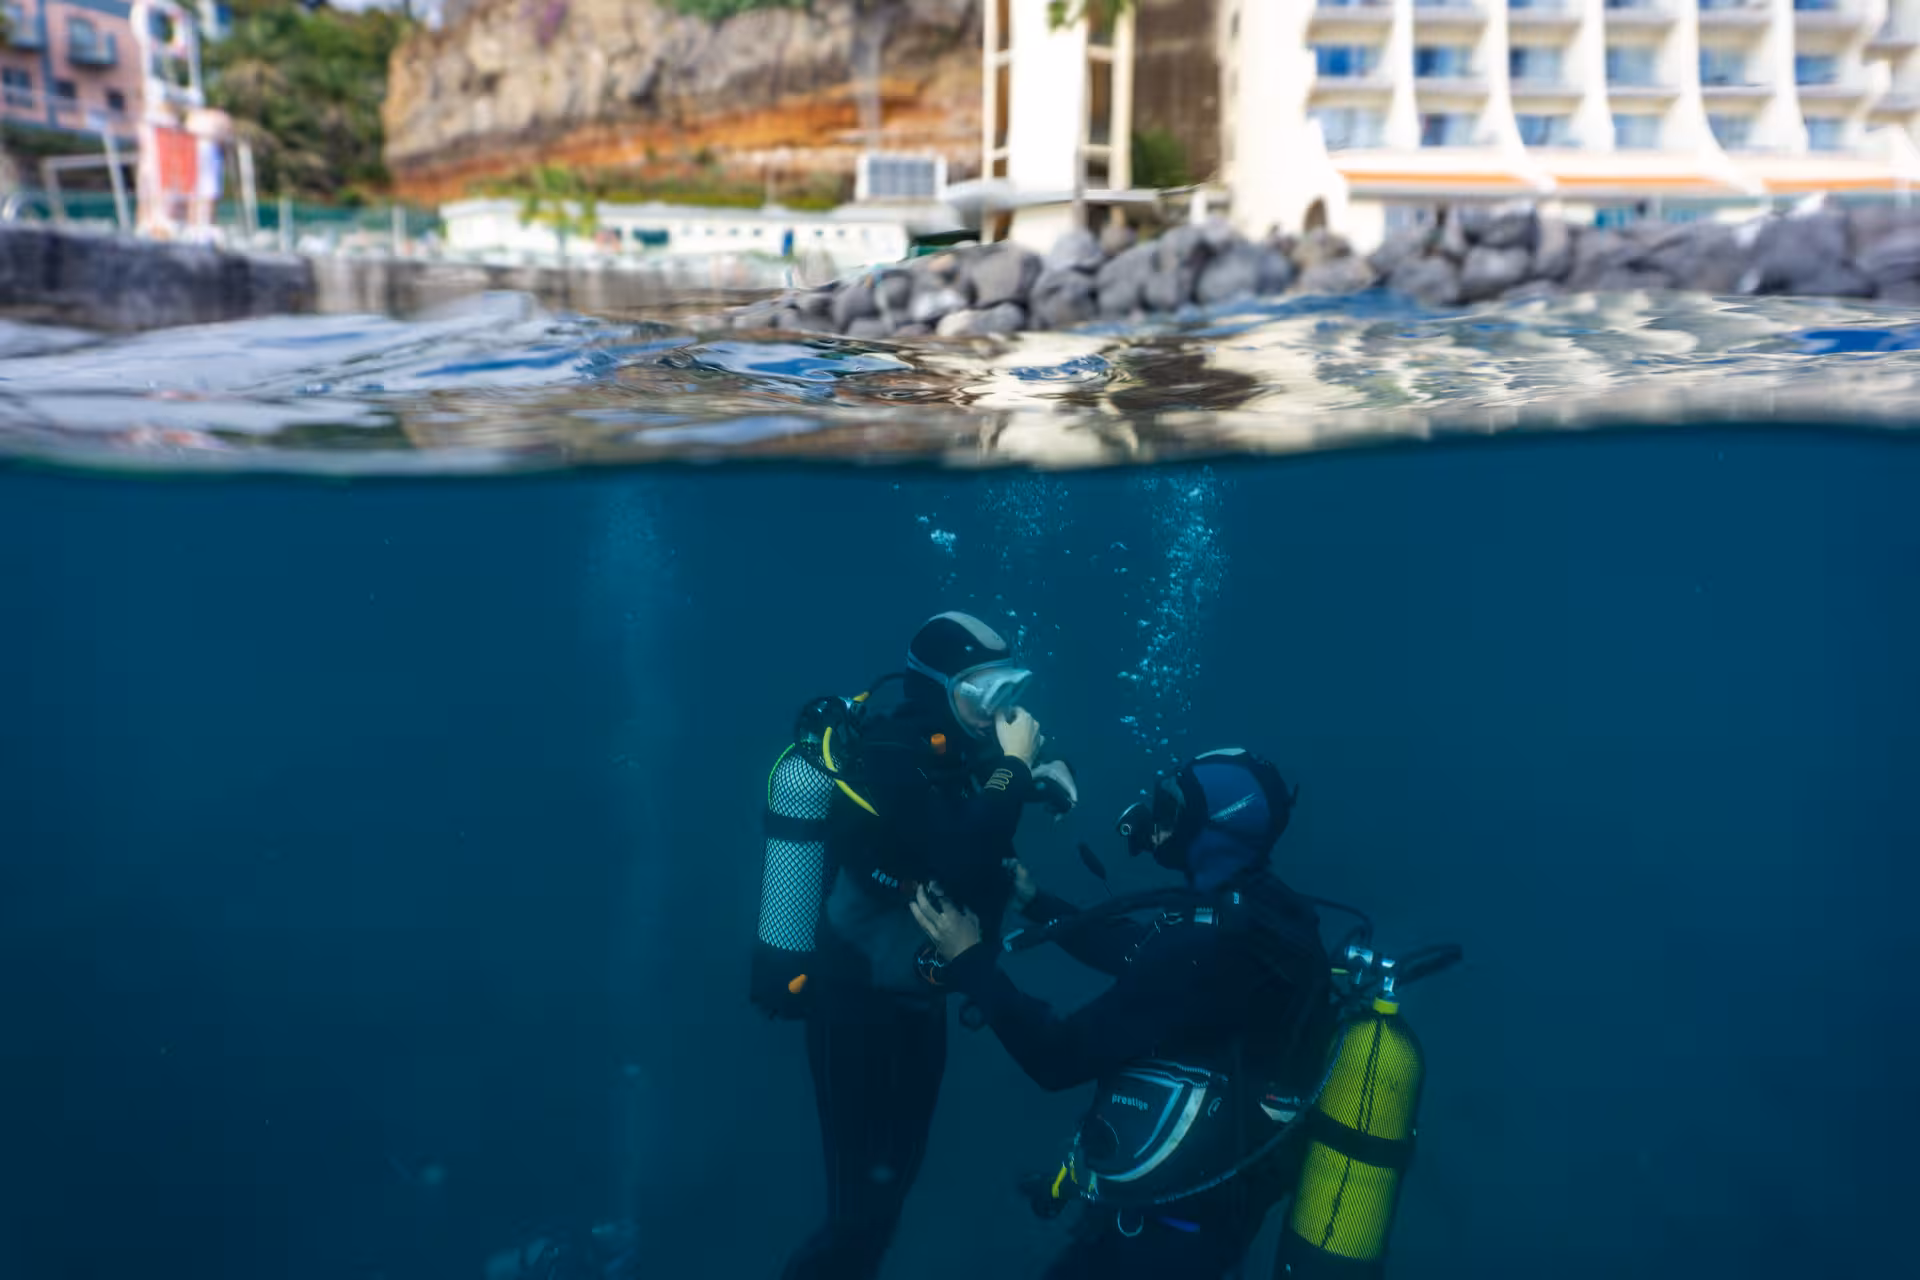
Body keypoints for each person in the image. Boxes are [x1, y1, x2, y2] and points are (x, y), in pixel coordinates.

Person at [909, 747, 1330, 1280]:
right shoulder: (1262, 913)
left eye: (1174, 811)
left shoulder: (1212, 942)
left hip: (1166, 1238)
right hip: (1200, 1218)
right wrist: (1038, 902)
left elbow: (1056, 1058)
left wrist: (970, 961)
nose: (1155, 824)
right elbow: (1145, 955)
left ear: (1220, 824)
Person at [755, 611, 1079, 1280]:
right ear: (934, 689)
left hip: (919, 1007)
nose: (996, 710)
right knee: (855, 1211)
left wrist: (1038, 774)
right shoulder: (890, 755)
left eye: (1005, 689)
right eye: (977, 693)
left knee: (892, 1192)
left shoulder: (966, 753)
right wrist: (1018, 771)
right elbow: (960, 854)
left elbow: (979, 821)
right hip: (853, 1005)